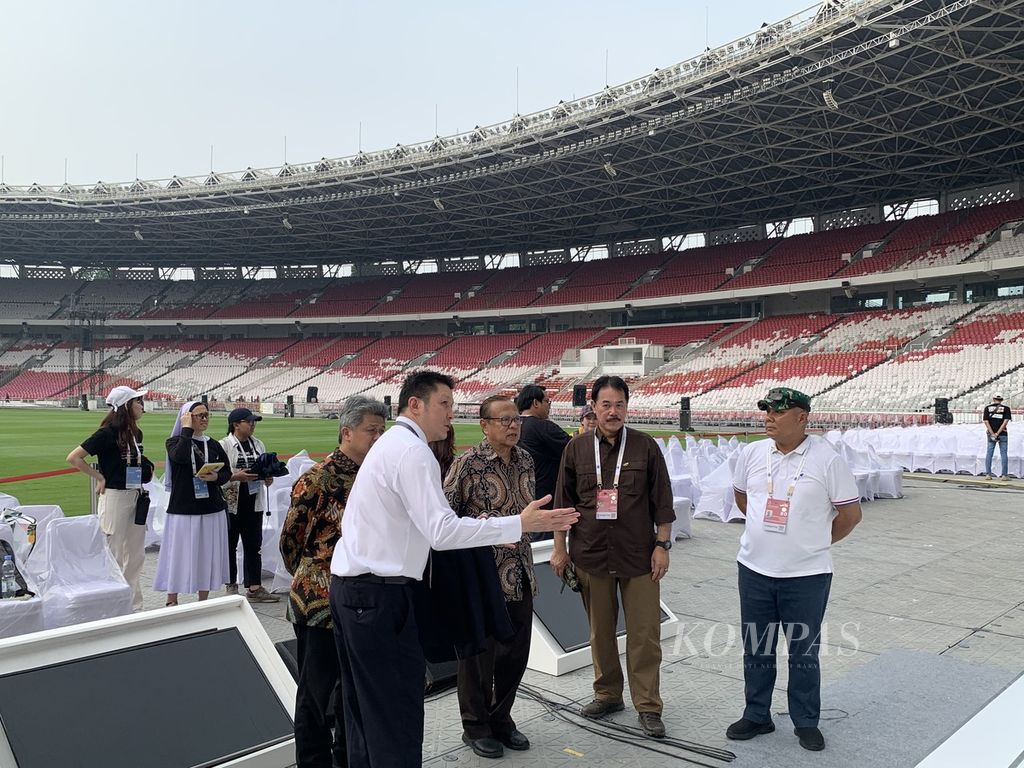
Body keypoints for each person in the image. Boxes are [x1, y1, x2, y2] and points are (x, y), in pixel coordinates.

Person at [329, 370, 579, 768]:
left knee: (366, 711)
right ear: (416, 404)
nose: (450, 414)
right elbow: (441, 530)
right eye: (444, 404)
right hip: (378, 596)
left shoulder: (395, 445)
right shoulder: (411, 452)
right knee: (394, 714)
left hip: (358, 591)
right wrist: (519, 524)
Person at [727, 387, 862, 753]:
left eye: (778, 411)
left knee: (803, 652)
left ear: (802, 417)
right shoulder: (752, 452)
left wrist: (812, 542)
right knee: (757, 648)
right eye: (767, 410)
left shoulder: (826, 459)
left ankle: (806, 721)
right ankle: (757, 714)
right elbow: (742, 498)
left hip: (806, 576)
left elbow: (850, 515)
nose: (768, 416)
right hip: (754, 569)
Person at [552, 375, 675, 738]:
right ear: (593, 407)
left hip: (638, 557)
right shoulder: (575, 449)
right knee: (600, 633)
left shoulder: (645, 447)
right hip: (590, 554)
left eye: (619, 404)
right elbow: (563, 503)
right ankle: (607, 695)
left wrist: (662, 546)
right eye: (605, 404)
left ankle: (648, 706)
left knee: (644, 635)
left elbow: (663, 503)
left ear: (627, 407)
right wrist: (560, 548)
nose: (613, 411)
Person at [281, 395, 387, 768]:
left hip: (363, 598)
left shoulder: (375, 476)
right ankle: (313, 761)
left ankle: (347, 757)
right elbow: (291, 540)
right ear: (347, 432)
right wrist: (314, 574)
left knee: (352, 689)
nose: (378, 437)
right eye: (370, 430)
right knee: (315, 690)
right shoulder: (317, 479)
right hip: (318, 600)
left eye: (381, 429)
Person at [443, 396, 536, 759]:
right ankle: (476, 725)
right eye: (504, 420)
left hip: (521, 573)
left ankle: (502, 717)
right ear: (484, 425)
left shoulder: (526, 459)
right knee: (479, 657)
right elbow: (446, 519)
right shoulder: (468, 464)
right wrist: (479, 527)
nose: (513, 426)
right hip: (482, 577)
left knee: (515, 654)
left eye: (516, 419)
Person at [66, 385, 151, 611]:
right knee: (112, 552)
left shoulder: (136, 433)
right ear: (125, 405)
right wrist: (99, 477)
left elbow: (134, 460)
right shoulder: (107, 433)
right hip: (115, 497)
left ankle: (133, 605)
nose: (141, 406)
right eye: (137, 401)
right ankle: (111, 604)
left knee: (135, 553)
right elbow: (75, 457)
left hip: (135, 495)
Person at [155, 401, 232, 607]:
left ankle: (203, 599)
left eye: (207, 415)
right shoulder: (174, 442)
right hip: (183, 507)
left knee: (206, 555)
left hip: (210, 507)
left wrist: (216, 477)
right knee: (178, 554)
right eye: (199, 415)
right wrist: (186, 430)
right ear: (187, 417)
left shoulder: (214, 444)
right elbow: (179, 458)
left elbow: (227, 473)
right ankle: (172, 599)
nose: (204, 419)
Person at [221, 407, 277, 602]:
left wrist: (267, 477)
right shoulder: (224, 445)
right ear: (236, 424)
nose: (253, 425)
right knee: (229, 544)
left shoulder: (258, 444)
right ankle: (230, 585)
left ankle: (254, 586)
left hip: (254, 500)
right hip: (231, 501)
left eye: (254, 422)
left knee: (254, 544)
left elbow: (261, 468)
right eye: (249, 422)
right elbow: (219, 476)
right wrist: (237, 476)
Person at [516, 385, 571, 510]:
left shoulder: (511, 426)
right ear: (535, 403)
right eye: (546, 401)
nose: (549, 406)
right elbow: (575, 449)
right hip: (545, 498)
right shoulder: (543, 426)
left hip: (519, 497)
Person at [982, 393, 1011, 480]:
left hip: (991, 434)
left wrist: (992, 433)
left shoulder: (987, 408)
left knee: (989, 454)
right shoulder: (1006, 409)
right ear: (1001, 400)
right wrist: (998, 433)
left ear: (993, 399)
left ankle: (988, 474)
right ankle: (1004, 475)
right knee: (1004, 454)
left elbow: (986, 421)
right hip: (1002, 434)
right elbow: (1005, 422)